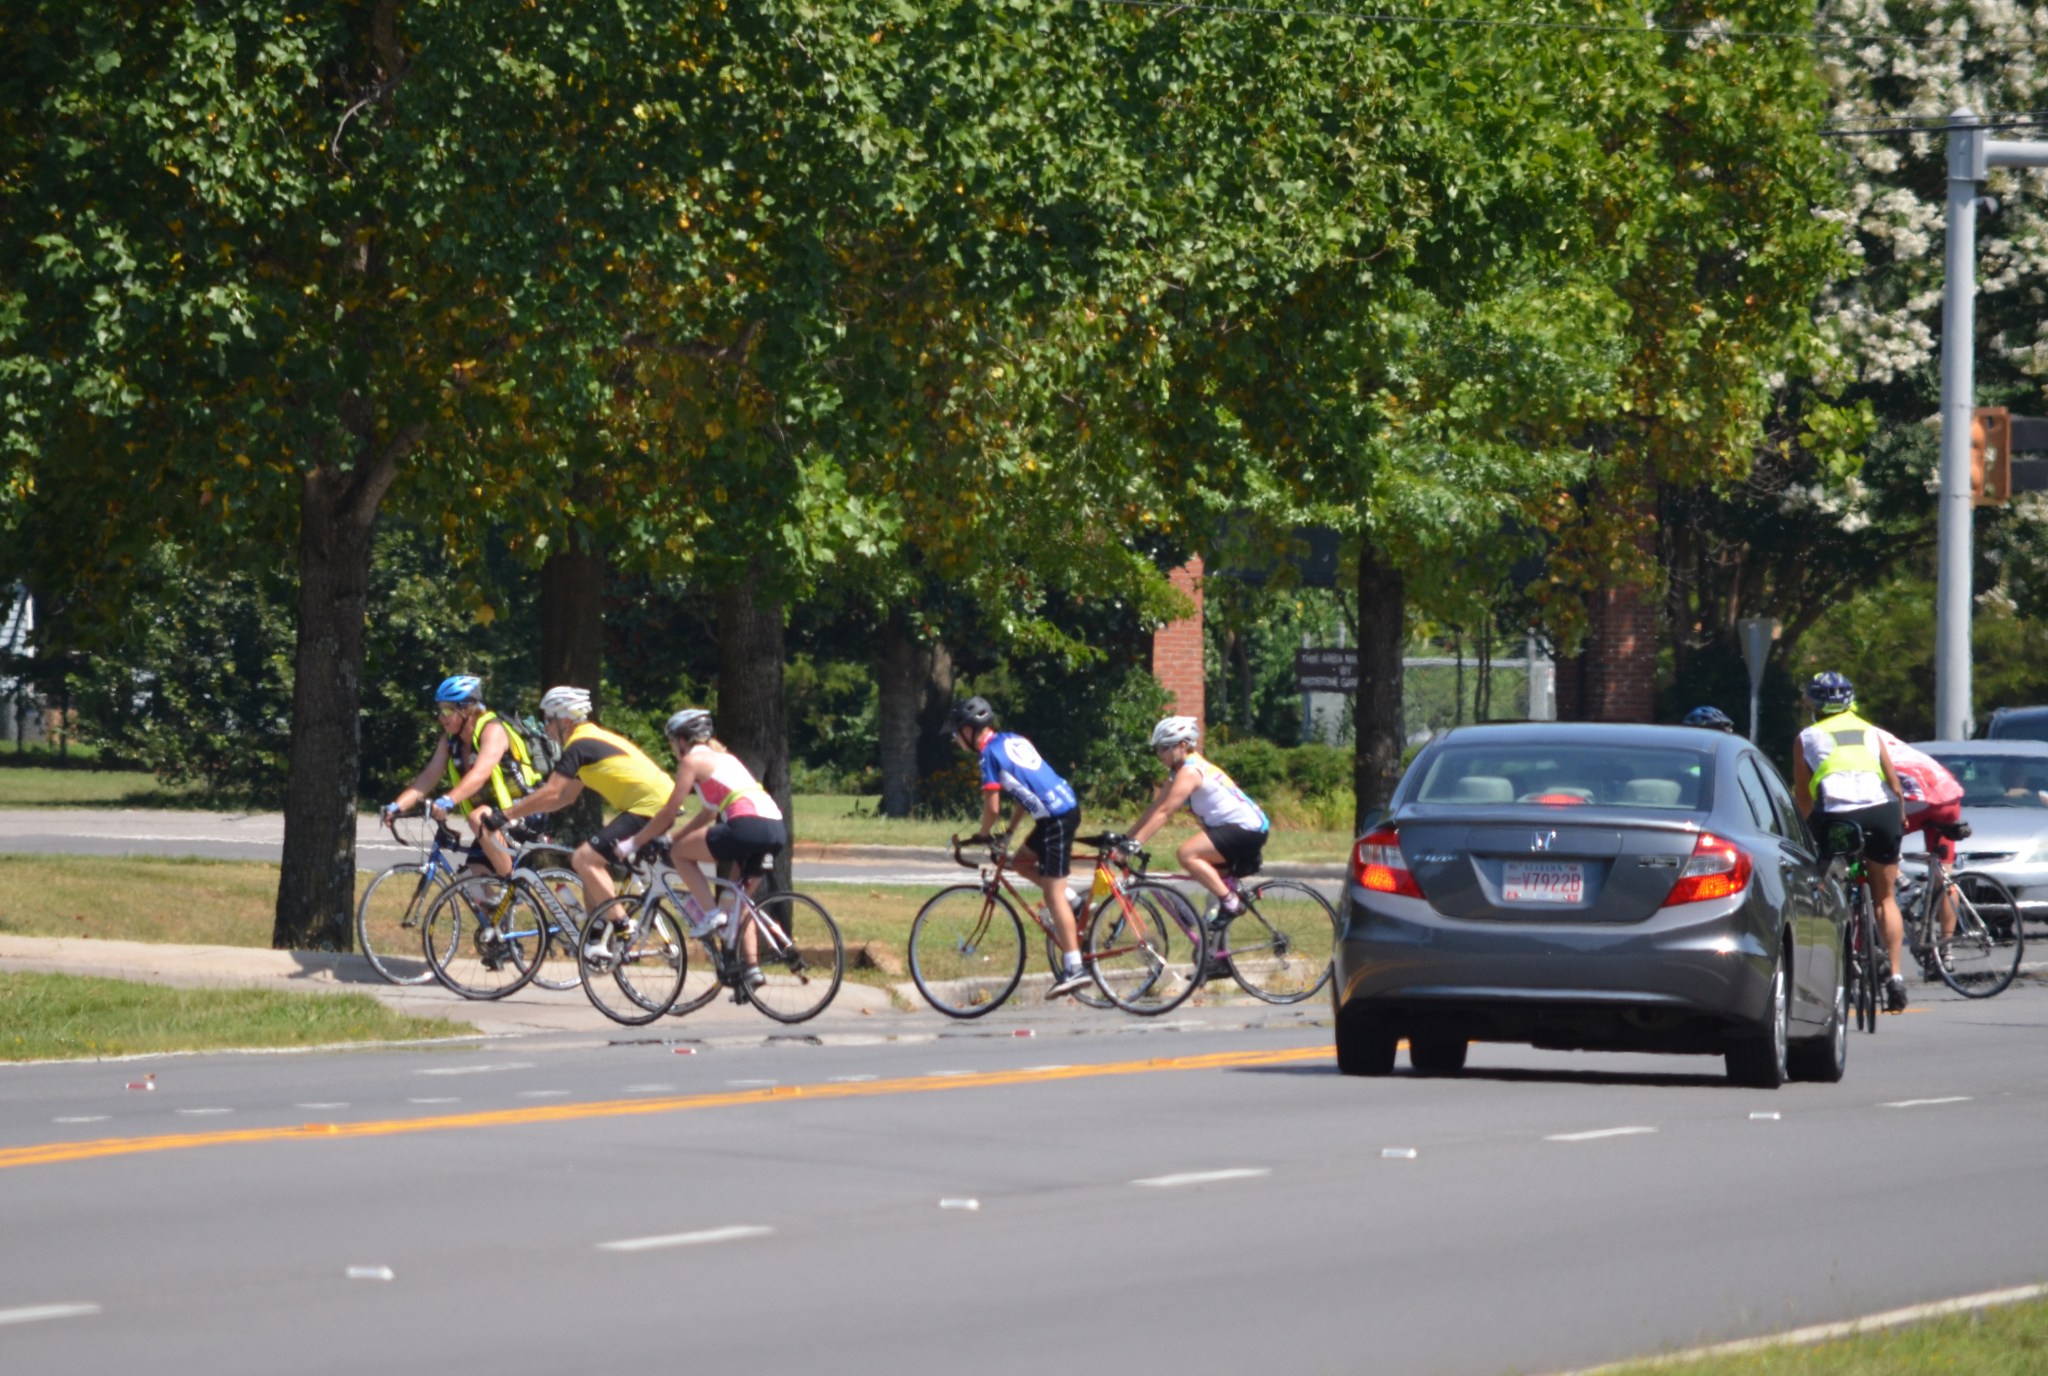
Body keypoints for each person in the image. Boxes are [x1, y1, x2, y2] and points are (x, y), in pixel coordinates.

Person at [616, 709, 788, 986]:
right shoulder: (725, 758)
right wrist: (673, 837)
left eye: (673, 741)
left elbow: (670, 810)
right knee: (737, 901)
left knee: (680, 854)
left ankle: (711, 915)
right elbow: (708, 813)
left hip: (746, 825)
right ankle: (752, 968)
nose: (673, 748)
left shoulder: (692, 761)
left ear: (683, 739)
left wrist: (634, 842)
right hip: (775, 828)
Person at [471, 686, 672, 922]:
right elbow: (563, 797)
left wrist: (505, 815)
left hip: (649, 806)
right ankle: (597, 934)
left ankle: (621, 926)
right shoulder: (589, 740)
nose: (544, 727)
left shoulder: (580, 744)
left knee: (583, 859)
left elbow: (551, 790)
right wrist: (523, 814)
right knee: (593, 864)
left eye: (547, 719)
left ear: (565, 720)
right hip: (656, 801)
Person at [947, 696, 1091, 998]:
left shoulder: (988, 755)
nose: (955, 738)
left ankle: (1074, 967)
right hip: (1061, 810)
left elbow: (993, 806)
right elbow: (1026, 791)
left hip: (1055, 820)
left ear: (970, 730)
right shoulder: (1011, 739)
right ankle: (1074, 903)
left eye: (956, 731)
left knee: (1051, 895)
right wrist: (1010, 833)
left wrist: (985, 833)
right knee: (1021, 862)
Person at [1791, 671, 1911, 1012]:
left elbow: (1803, 797)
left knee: (1823, 882)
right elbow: (1895, 784)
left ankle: (1836, 959)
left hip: (1838, 815)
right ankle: (1896, 977)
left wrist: (1802, 832)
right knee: (1885, 897)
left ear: (1812, 703)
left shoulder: (1807, 737)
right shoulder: (1870, 731)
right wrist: (1899, 816)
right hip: (1882, 812)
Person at [379, 674, 541, 878]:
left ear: (466, 710)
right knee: (474, 885)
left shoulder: (493, 730)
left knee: (477, 818)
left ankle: (515, 886)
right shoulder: (450, 741)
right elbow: (429, 776)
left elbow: (480, 773)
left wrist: (449, 800)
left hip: (525, 808)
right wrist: (397, 806)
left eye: (447, 710)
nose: (441, 717)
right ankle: (502, 902)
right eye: (439, 710)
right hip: (494, 822)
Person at [1123, 716, 1271, 926]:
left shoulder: (1190, 771)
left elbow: (1165, 812)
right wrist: (1126, 838)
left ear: (1183, 745)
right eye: (1157, 748)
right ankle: (1214, 953)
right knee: (1209, 883)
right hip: (1239, 828)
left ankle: (1231, 903)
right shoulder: (1178, 772)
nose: (1159, 754)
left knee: (1187, 854)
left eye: (1164, 748)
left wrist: (1134, 844)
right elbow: (1155, 807)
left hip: (1246, 828)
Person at [1876, 726, 1965, 973]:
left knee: (1873, 843)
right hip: (1948, 794)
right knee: (1944, 876)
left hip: (1918, 799)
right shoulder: (1890, 739)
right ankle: (1946, 953)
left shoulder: (1858, 741)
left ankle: (1904, 885)